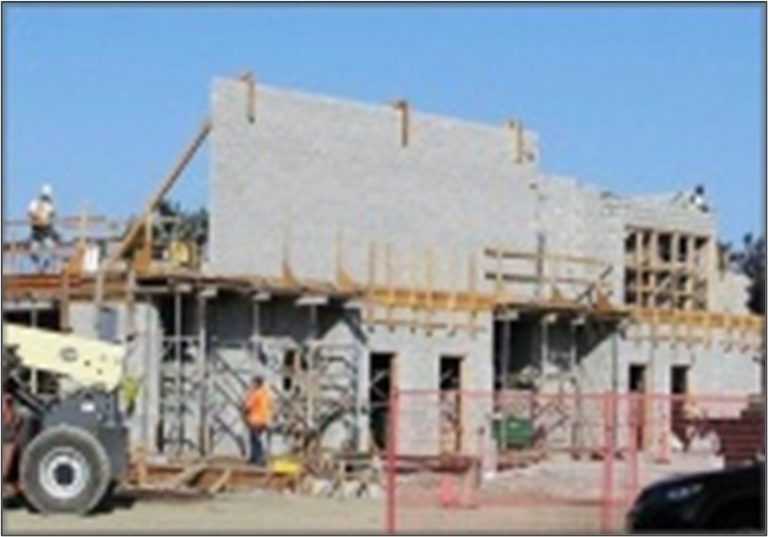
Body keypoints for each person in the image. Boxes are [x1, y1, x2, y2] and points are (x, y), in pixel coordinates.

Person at [27, 184, 60, 269]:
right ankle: (44, 263)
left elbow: (29, 214)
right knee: (49, 247)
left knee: (35, 249)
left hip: (36, 230)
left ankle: (41, 263)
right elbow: (53, 217)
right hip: (45, 231)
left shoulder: (34, 203)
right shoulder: (49, 205)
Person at [243, 375, 272, 466]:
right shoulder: (266, 394)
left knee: (255, 440)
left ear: (256, 384)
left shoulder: (255, 394)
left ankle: (258, 459)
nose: (251, 385)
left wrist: (247, 396)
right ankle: (256, 458)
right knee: (258, 439)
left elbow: (247, 407)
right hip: (265, 419)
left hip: (256, 420)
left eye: (252, 383)